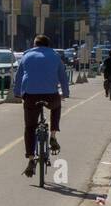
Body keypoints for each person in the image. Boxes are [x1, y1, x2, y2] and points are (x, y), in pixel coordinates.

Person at [14, 35, 70, 178]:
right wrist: (65, 93)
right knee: (56, 107)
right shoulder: (56, 56)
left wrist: (17, 93)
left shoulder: (26, 56)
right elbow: (63, 77)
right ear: (48, 45)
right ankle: (52, 134)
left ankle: (31, 158)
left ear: (35, 44)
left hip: (31, 96)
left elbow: (19, 76)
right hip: (50, 95)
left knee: (30, 127)